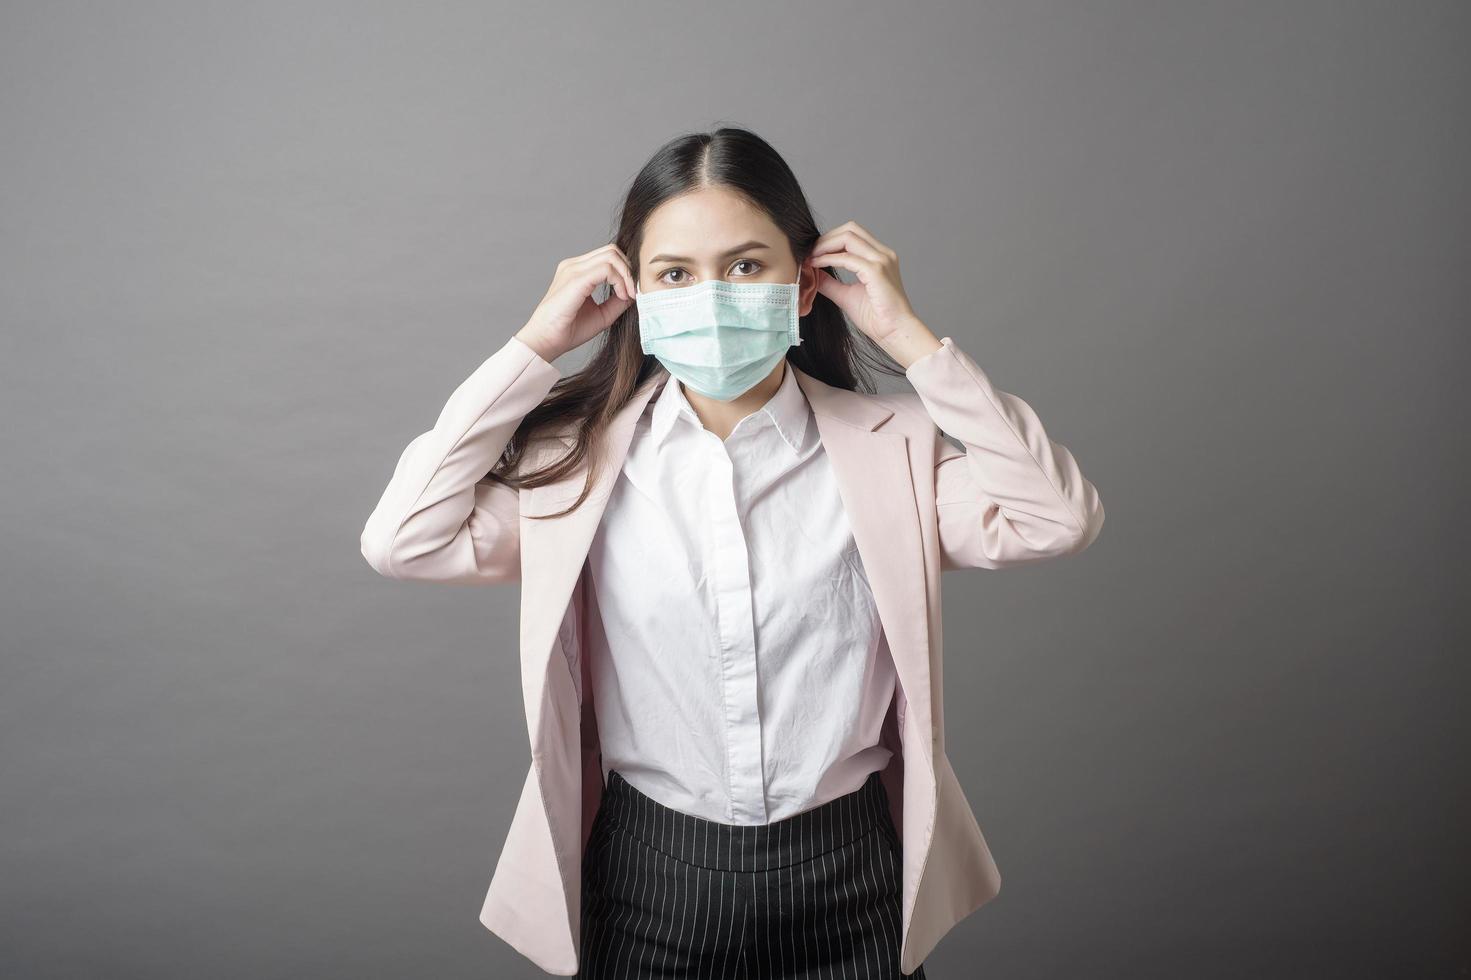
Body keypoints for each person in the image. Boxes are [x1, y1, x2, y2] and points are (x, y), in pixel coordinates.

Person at [360, 126, 1105, 978]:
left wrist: (909, 338)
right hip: (648, 876)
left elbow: (1055, 518)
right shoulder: (573, 468)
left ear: (804, 286)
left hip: (850, 873)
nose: (711, 296)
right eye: (675, 273)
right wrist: (533, 348)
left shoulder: (892, 446)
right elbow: (402, 540)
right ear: (632, 292)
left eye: (746, 266)